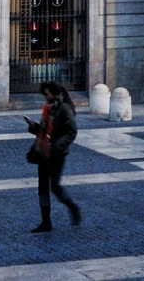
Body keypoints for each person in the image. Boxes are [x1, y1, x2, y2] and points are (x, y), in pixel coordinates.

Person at [24, 82, 81, 232]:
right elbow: (43, 131)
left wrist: (57, 145)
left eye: (46, 94)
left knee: (54, 186)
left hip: (57, 153)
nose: (45, 97)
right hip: (43, 152)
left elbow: (71, 131)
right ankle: (46, 221)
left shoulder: (64, 109)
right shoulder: (47, 110)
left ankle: (73, 208)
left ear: (55, 94)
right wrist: (34, 127)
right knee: (42, 188)